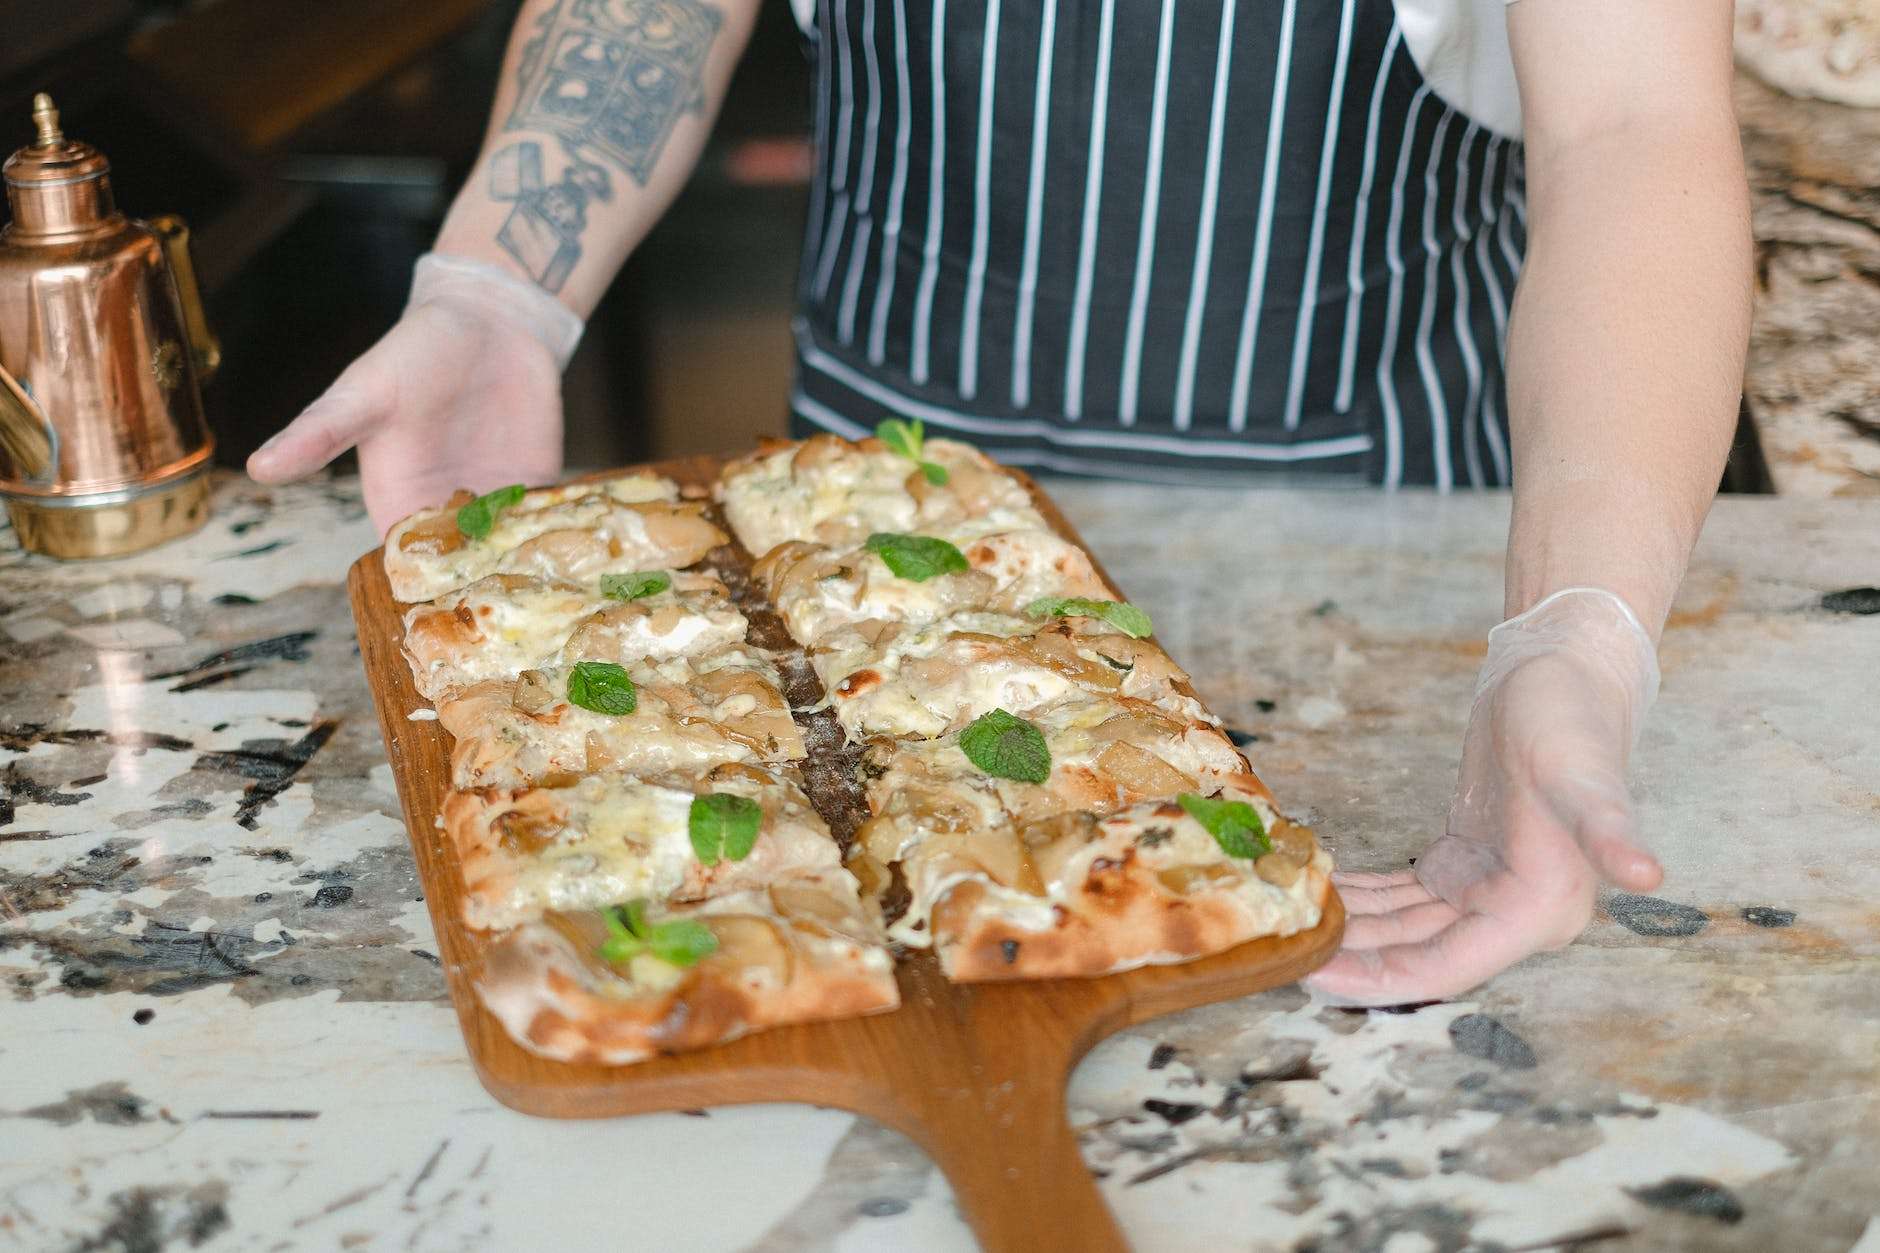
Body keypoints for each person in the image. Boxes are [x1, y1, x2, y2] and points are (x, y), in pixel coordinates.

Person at [248, 0, 1751, 1005]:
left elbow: (1633, 130)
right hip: (863, 560)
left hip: (1375, 585)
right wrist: (501, 288)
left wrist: (1574, 632)